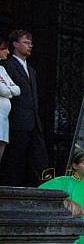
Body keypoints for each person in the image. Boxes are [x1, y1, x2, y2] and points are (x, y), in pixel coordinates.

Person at [0, 30, 47, 187]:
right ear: (15, 44)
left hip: (33, 123)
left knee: (36, 160)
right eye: (26, 42)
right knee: (15, 162)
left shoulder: (31, 70)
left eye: (30, 43)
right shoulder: (7, 65)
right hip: (17, 122)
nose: (30, 46)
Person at [0, 39, 20, 165]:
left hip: (3, 117)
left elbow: (17, 89)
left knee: (1, 145)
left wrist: (8, 89)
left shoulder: (2, 69)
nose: (8, 51)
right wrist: (8, 89)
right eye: (4, 49)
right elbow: (3, 90)